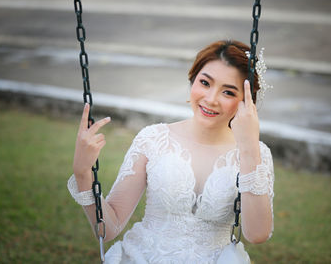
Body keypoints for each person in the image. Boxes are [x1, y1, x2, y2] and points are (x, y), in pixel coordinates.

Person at [67, 40, 275, 263]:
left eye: (228, 92)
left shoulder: (256, 154)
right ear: (192, 80)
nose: (211, 99)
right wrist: (83, 173)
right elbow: (108, 228)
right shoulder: (154, 139)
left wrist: (249, 148)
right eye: (205, 83)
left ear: (246, 102)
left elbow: (257, 234)